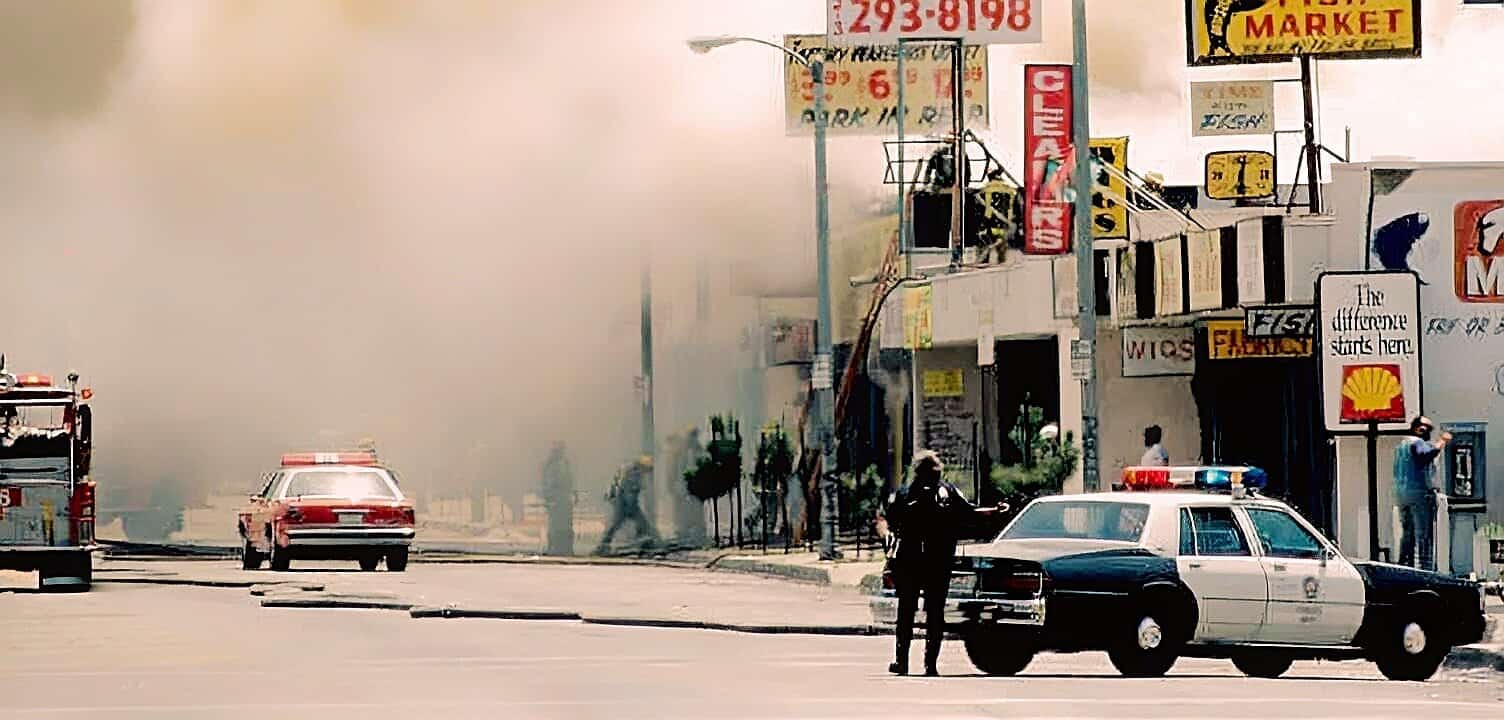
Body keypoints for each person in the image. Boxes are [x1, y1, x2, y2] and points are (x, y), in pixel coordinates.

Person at [881, 451, 1006, 676]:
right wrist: (996, 512)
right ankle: (930, 665)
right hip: (938, 562)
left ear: (916, 472)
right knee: (935, 613)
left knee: (906, 612)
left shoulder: (904, 494)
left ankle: (902, 662)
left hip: (910, 562)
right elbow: (971, 514)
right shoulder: (947, 492)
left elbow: (891, 521)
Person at [1393, 415, 1450, 571]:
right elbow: (1425, 455)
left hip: (1401, 494)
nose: (1428, 433)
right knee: (1424, 535)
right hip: (1419, 493)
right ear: (1419, 428)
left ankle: (1405, 567)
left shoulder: (1401, 445)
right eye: (1428, 429)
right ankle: (1425, 570)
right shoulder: (1416, 443)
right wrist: (1442, 442)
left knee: (1407, 534)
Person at [594, 456, 660, 555]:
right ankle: (649, 542)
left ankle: (602, 546)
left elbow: (618, 485)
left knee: (616, 526)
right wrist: (630, 507)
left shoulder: (629, 468)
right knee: (640, 523)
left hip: (623, 503)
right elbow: (628, 491)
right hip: (626, 504)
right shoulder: (634, 473)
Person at [541, 442, 575, 556]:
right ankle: (555, 549)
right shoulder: (552, 465)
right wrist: (550, 498)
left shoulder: (563, 464)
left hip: (562, 502)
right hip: (557, 502)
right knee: (556, 527)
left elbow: (568, 482)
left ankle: (563, 549)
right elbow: (547, 483)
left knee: (563, 526)